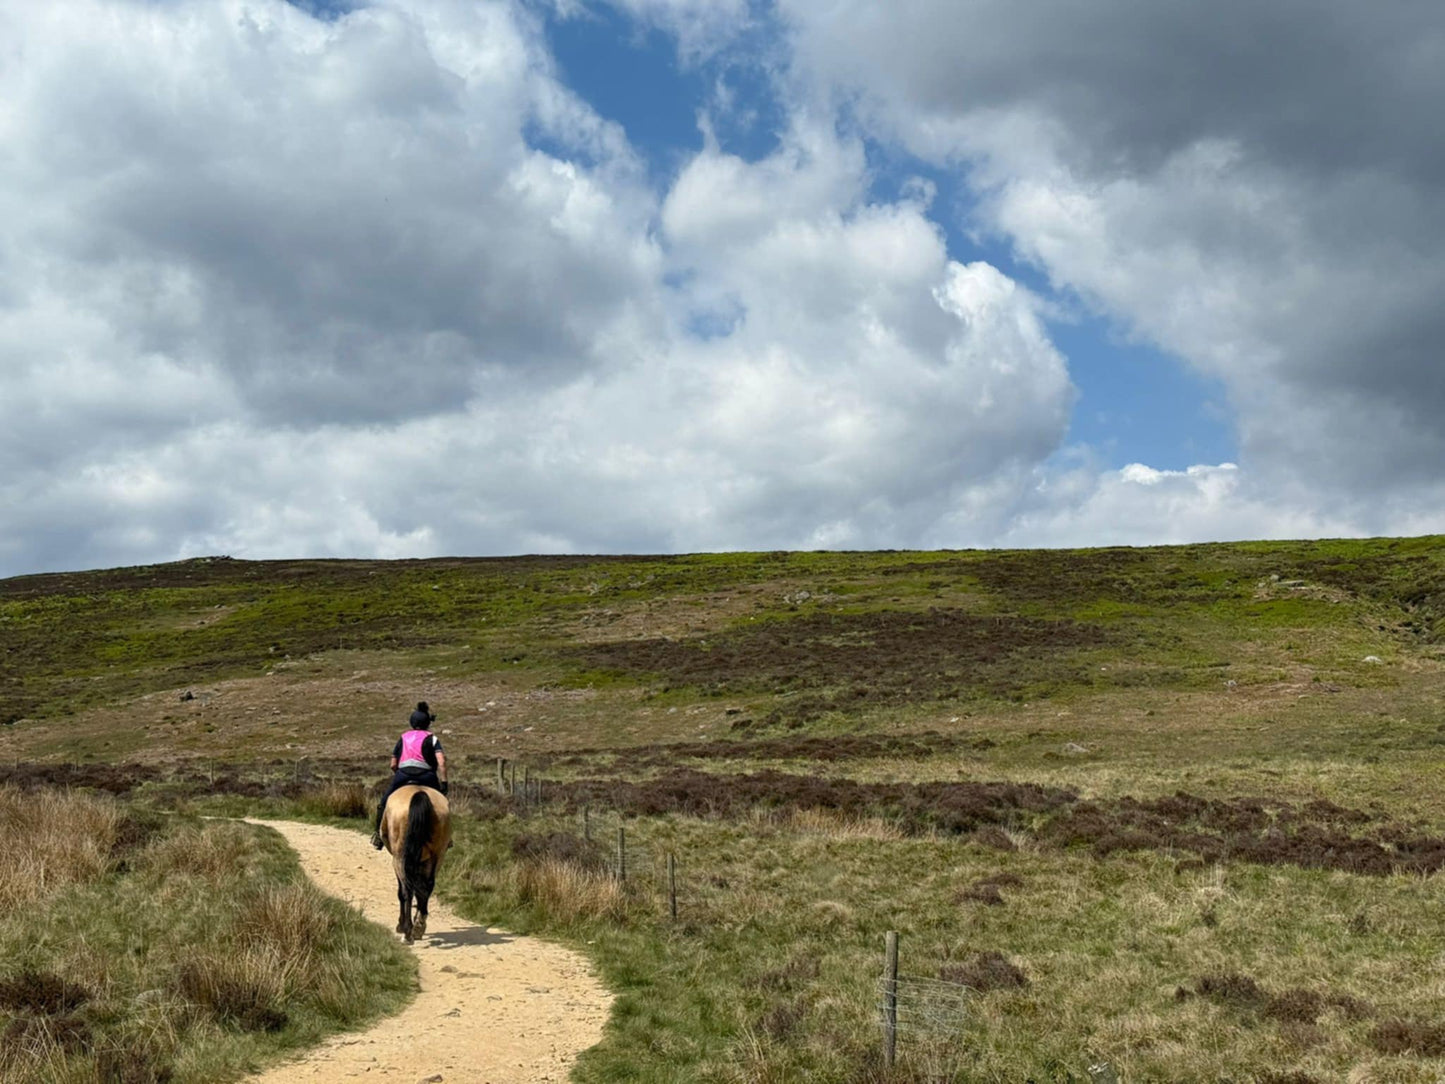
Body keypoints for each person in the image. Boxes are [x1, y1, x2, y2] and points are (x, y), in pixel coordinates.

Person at [371, 701, 448, 849]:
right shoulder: (432, 738)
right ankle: (446, 838)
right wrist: (444, 783)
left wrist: (399, 773)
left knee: (384, 802)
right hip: (427, 776)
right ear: (427, 723)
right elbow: (441, 762)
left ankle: (378, 836)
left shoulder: (404, 737)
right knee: (442, 805)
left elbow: (393, 763)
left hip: (403, 775)